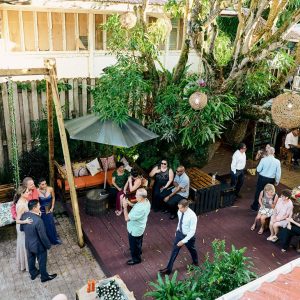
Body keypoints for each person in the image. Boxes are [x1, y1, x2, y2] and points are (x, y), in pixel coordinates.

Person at [20, 200, 57, 282]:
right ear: (34, 208)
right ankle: (44, 277)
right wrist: (48, 245)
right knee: (42, 261)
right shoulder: (38, 220)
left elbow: (21, 229)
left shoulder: (24, 215)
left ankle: (33, 274)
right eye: (38, 205)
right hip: (38, 246)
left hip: (28, 243)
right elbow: (43, 236)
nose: (40, 206)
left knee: (31, 259)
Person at [159, 199, 198, 275]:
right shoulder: (179, 212)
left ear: (186, 207)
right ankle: (168, 269)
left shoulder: (192, 216)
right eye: (178, 207)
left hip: (188, 237)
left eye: (181, 208)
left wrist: (183, 241)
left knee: (192, 249)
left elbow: (192, 231)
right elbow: (180, 222)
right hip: (179, 234)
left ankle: (195, 262)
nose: (179, 210)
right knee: (174, 251)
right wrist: (177, 231)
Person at [122, 188, 151, 265]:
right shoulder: (146, 201)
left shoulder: (140, 209)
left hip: (135, 229)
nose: (135, 195)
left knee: (134, 243)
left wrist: (124, 207)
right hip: (140, 226)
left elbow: (127, 218)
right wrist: (129, 203)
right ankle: (139, 250)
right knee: (139, 241)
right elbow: (136, 205)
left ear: (141, 197)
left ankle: (136, 259)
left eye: (137, 195)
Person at [251, 147, 281, 211]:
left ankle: (255, 206)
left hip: (262, 178)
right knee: (269, 194)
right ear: (274, 152)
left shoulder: (263, 159)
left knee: (258, 192)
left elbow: (258, 170)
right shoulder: (277, 162)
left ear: (268, 152)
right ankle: (266, 208)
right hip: (271, 179)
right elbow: (278, 173)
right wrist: (277, 181)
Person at [38, 178, 62, 245]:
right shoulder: (37, 191)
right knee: (45, 225)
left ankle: (54, 238)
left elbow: (53, 198)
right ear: (39, 185)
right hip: (42, 210)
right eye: (42, 184)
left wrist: (52, 207)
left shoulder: (50, 189)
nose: (45, 185)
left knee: (51, 224)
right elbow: (37, 202)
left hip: (49, 209)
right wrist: (39, 209)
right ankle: (47, 239)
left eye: (45, 183)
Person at [14, 186, 33, 271]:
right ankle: (26, 265)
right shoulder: (21, 205)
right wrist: (25, 221)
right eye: (27, 192)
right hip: (21, 226)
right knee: (24, 245)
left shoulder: (25, 199)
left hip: (25, 224)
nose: (29, 193)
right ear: (22, 194)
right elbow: (17, 221)